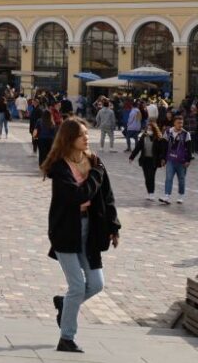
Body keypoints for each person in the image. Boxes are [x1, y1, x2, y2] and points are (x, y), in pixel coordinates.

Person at [41, 119, 120, 354]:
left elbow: (107, 196)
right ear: (69, 139)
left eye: (87, 134)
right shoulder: (59, 167)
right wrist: (96, 174)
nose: (87, 138)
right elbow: (78, 195)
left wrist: (114, 227)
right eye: (82, 135)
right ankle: (67, 338)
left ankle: (64, 305)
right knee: (76, 286)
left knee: (96, 284)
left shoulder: (94, 162)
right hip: (66, 230)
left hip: (90, 229)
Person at [129, 121, 166, 201]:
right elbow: (138, 147)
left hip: (154, 161)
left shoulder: (159, 138)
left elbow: (162, 150)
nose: (149, 130)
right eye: (148, 129)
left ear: (154, 130)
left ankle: (152, 193)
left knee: (151, 177)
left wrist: (163, 159)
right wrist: (132, 157)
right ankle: (149, 192)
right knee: (146, 177)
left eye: (150, 129)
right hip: (145, 160)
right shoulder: (143, 137)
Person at [159, 114, 192, 205]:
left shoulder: (186, 134)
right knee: (168, 178)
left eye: (182, 123)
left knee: (181, 179)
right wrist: (163, 158)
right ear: (174, 123)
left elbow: (189, 148)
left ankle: (181, 196)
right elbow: (164, 146)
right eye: (178, 123)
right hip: (170, 160)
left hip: (181, 161)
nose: (180, 125)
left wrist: (188, 160)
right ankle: (166, 196)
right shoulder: (168, 132)